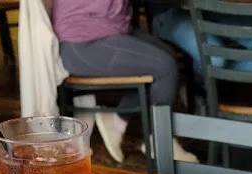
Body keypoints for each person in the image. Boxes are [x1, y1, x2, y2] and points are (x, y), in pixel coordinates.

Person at [51, 0, 196, 163]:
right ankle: (160, 142)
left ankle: (117, 121)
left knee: (167, 58)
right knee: (165, 67)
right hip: (82, 42)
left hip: (109, 29)